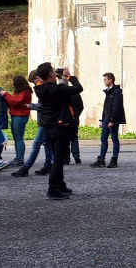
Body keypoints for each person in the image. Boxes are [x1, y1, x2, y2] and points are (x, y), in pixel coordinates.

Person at [34, 62, 83, 200]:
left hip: (49, 127)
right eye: (52, 71)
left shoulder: (41, 89)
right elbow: (79, 88)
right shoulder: (58, 89)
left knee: (58, 158)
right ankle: (53, 189)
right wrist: (69, 76)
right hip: (59, 127)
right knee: (58, 159)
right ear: (50, 74)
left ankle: (60, 185)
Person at [11, 70, 54, 178]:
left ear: (38, 78)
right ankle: (49, 165)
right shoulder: (47, 87)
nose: (34, 85)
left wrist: (30, 106)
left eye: (34, 82)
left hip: (45, 121)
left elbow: (44, 106)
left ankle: (25, 168)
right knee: (47, 144)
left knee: (36, 145)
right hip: (45, 121)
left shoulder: (44, 89)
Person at [91, 72, 124, 169]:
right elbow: (105, 108)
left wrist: (112, 120)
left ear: (111, 80)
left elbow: (117, 107)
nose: (104, 81)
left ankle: (114, 160)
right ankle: (101, 160)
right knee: (103, 139)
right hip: (106, 119)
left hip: (113, 120)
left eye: (105, 79)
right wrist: (102, 120)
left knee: (114, 139)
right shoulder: (108, 91)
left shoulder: (117, 92)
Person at [2, 76, 32, 167]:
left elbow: (15, 101)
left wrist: (6, 94)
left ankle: (20, 159)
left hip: (20, 116)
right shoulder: (22, 91)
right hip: (17, 116)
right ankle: (18, 157)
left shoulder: (25, 92)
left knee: (18, 138)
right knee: (17, 138)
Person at [57, 69, 83, 165]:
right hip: (74, 119)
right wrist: (76, 115)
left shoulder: (60, 91)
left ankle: (66, 159)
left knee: (65, 139)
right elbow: (81, 106)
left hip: (64, 119)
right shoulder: (74, 91)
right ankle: (77, 157)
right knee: (74, 138)